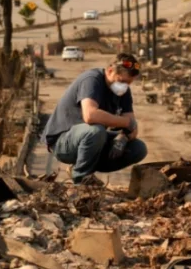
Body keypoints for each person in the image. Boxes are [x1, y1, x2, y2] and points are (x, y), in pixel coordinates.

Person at [42, 53, 148, 184]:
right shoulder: (92, 80)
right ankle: (81, 179)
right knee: (96, 131)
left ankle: (82, 168)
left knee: (138, 148)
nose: (125, 86)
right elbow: (90, 116)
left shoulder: (123, 92)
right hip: (63, 142)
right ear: (110, 71)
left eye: (129, 83)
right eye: (122, 81)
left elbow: (133, 129)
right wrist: (125, 123)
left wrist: (123, 138)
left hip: (90, 141)